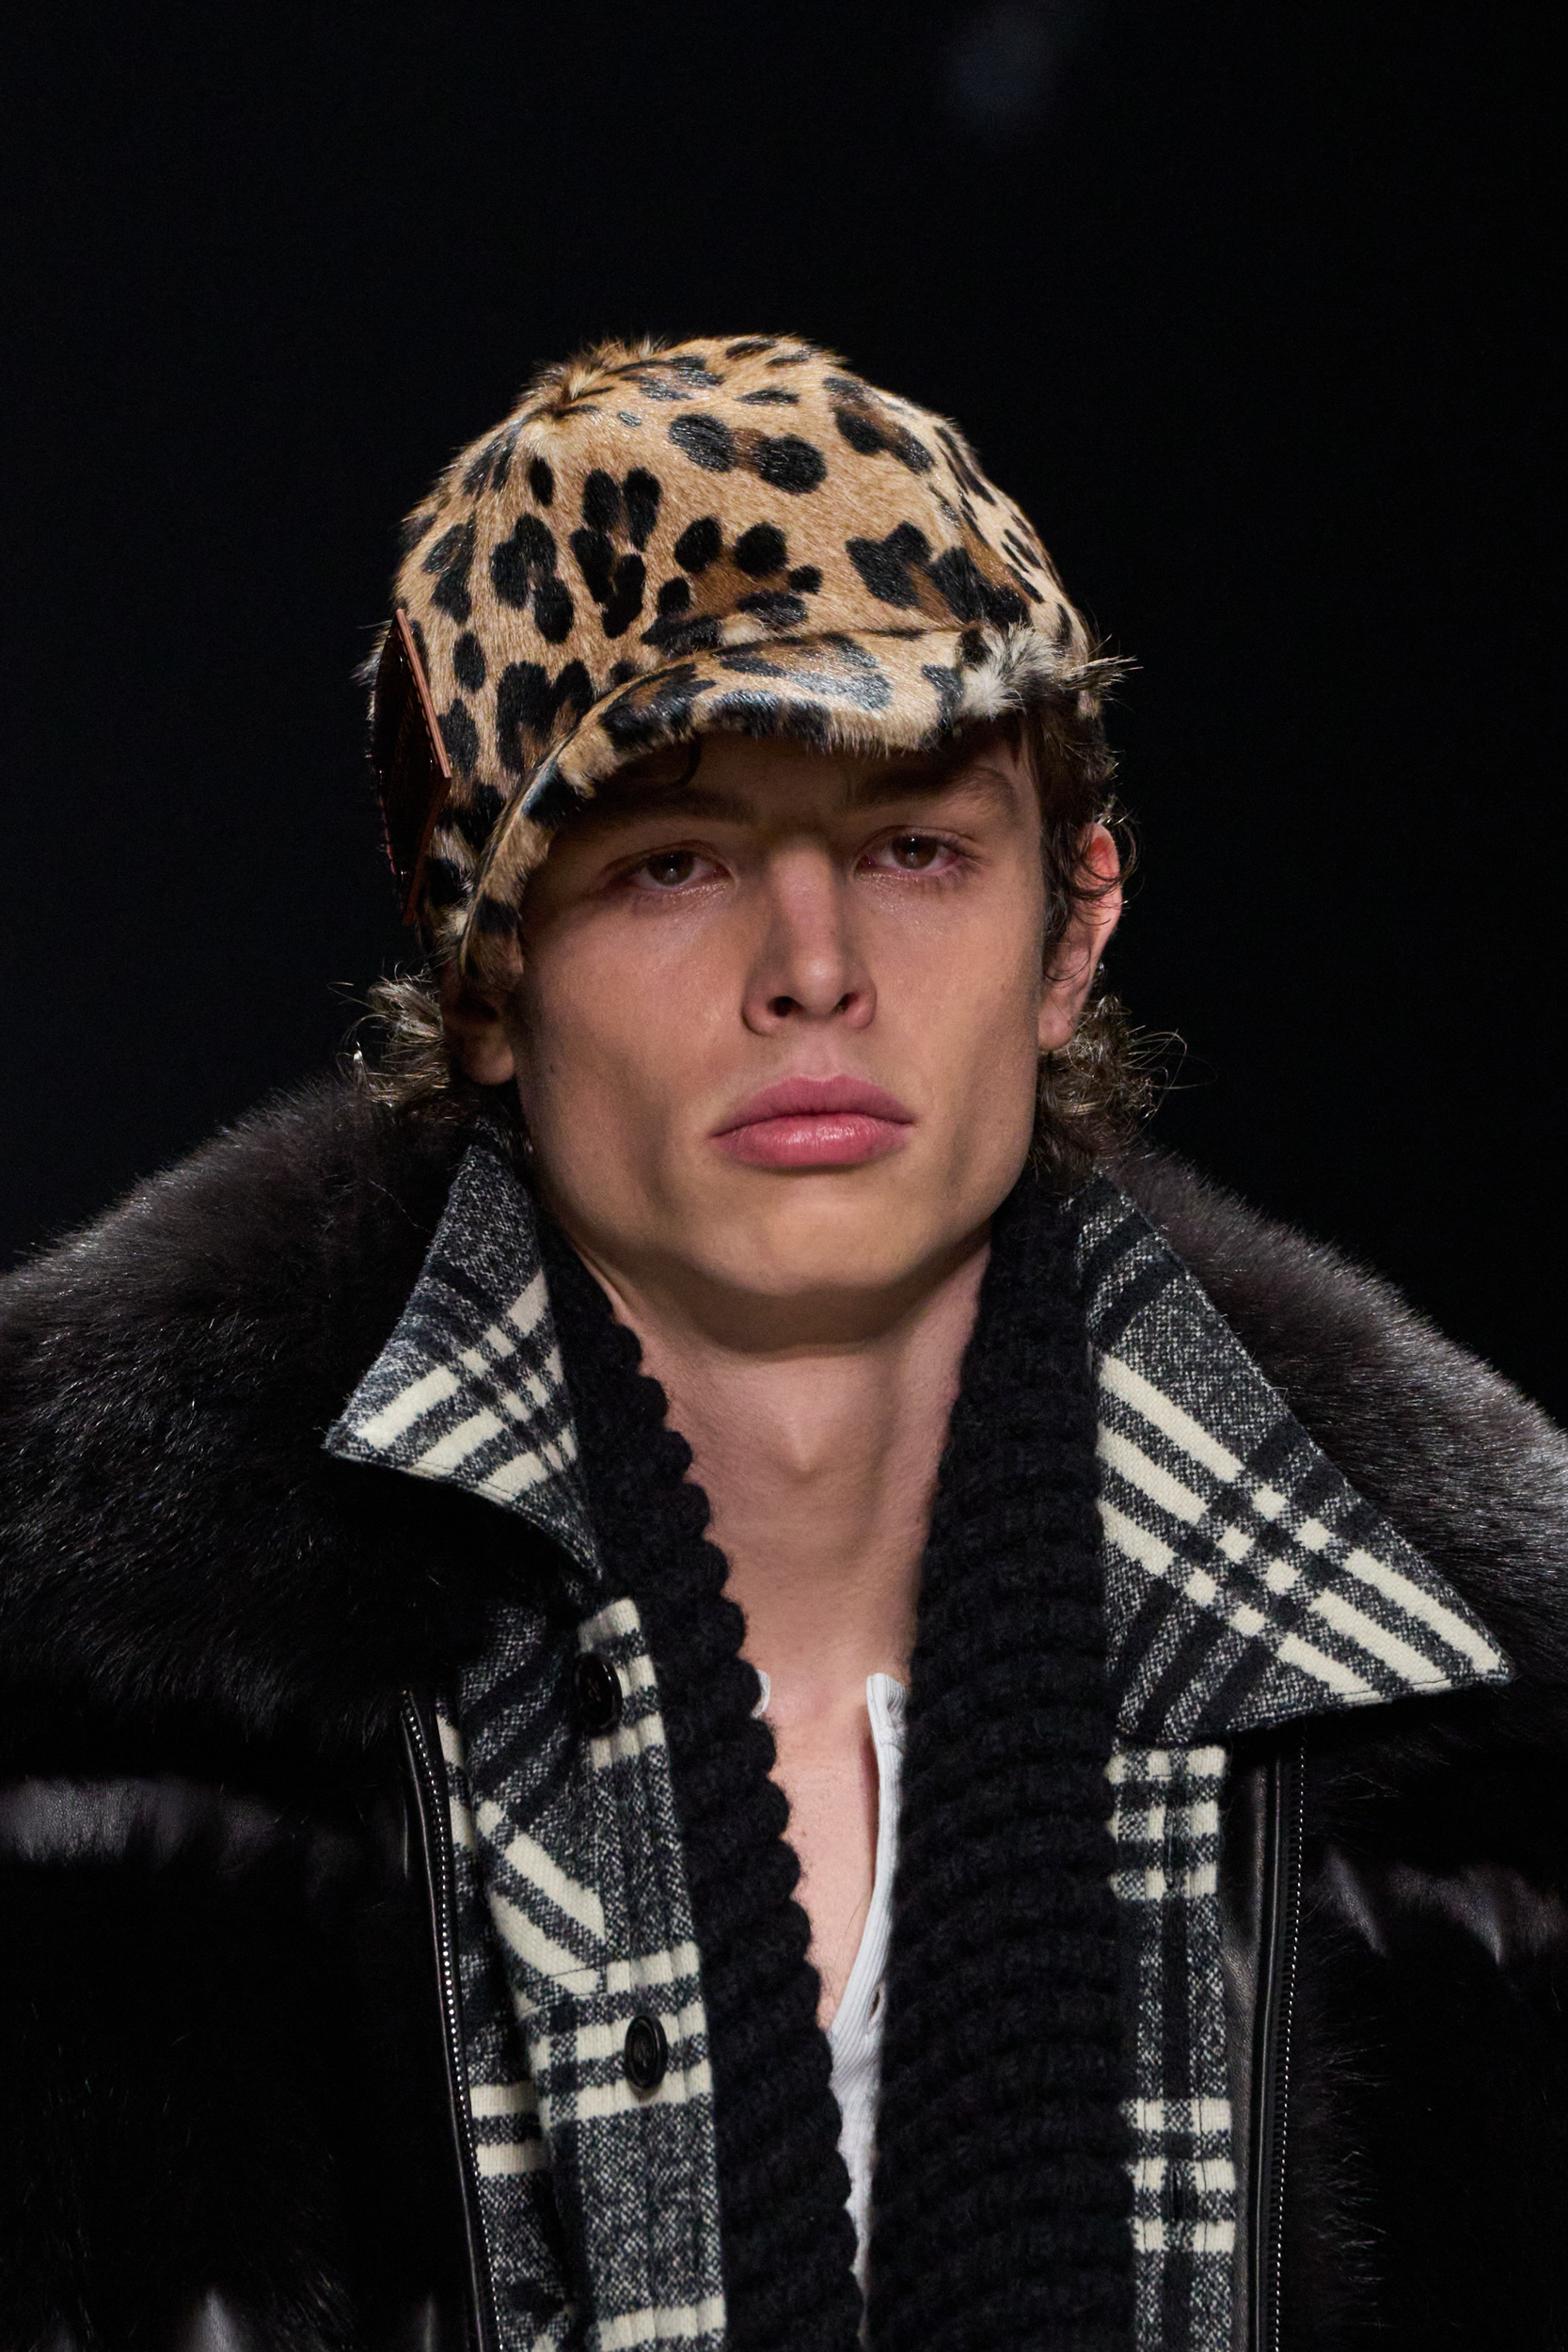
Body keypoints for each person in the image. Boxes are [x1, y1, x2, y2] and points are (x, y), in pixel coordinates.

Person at [2, 336, 1564, 2352]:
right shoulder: (92, 1704)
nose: (814, 969)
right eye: (674, 861)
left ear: (1073, 930)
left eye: (916, 848)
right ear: (485, 970)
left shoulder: (1493, 1760)